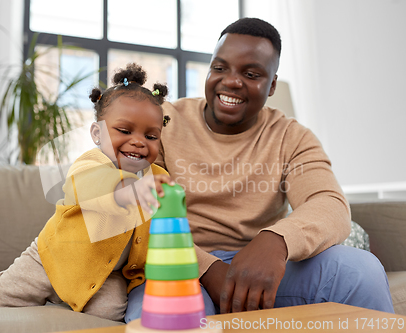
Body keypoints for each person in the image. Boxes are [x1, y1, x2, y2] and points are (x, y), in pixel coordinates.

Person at [125, 18, 394, 322]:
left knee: (361, 270)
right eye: (220, 68)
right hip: (173, 263)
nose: (231, 81)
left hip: (262, 270)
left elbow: (329, 205)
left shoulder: (291, 136)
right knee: (169, 317)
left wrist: (276, 241)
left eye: (251, 74)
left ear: (272, 85)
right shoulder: (160, 122)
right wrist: (208, 269)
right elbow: (134, 211)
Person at [0, 63, 175, 321]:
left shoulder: (159, 178)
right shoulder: (89, 164)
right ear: (97, 133)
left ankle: (63, 301)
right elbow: (100, 188)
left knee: (109, 313)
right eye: (125, 131)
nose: (139, 141)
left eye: (151, 136)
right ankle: (54, 294)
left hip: (106, 272)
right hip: (54, 258)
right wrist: (131, 191)